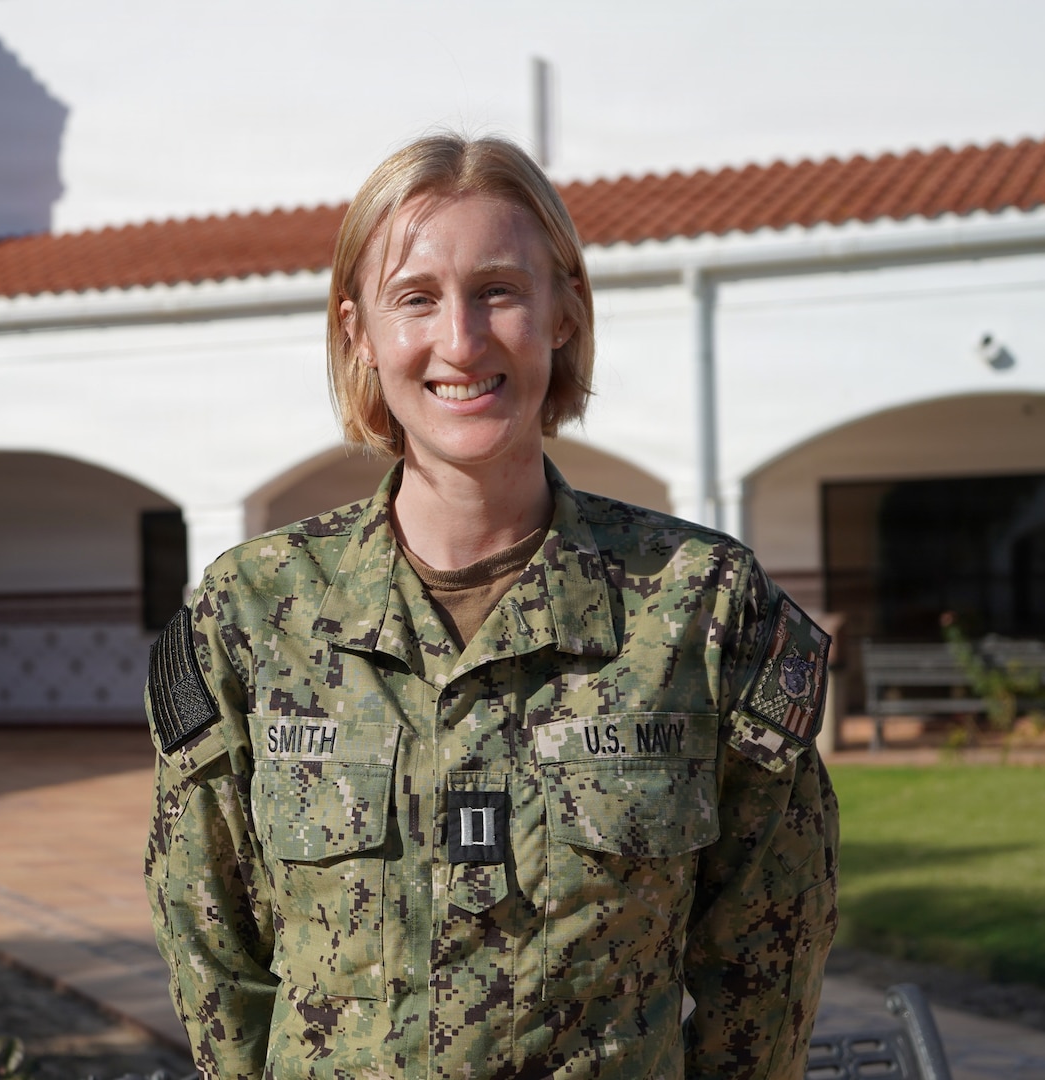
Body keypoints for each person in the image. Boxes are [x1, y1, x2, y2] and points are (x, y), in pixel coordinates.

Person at [144, 133, 837, 1080]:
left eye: (499, 290)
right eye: (416, 298)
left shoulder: (701, 608)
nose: (460, 342)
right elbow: (209, 946)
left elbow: (766, 963)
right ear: (359, 332)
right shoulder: (254, 614)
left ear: (563, 310)